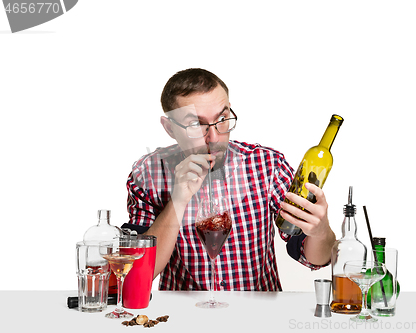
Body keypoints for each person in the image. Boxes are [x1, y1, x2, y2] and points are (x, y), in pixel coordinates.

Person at [122, 68, 336, 291]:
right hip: (186, 317)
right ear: (170, 128)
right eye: (196, 124)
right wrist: (178, 200)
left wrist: (320, 231)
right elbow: (139, 273)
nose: (214, 138)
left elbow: (311, 257)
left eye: (222, 119)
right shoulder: (148, 173)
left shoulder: (267, 165)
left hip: (258, 315)